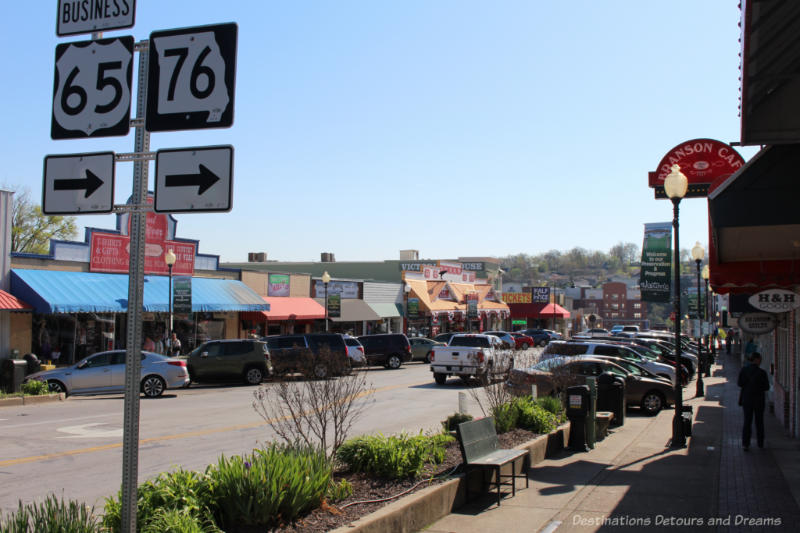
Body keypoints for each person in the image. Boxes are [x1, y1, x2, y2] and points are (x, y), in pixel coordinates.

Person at [738, 352, 770, 450]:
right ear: (756, 359)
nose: (761, 361)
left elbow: (739, 383)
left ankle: (745, 443)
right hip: (759, 400)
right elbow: (767, 387)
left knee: (747, 421)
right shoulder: (762, 373)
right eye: (760, 359)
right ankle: (760, 443)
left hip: (747, 399)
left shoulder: (744, 370)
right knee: (759, 422)